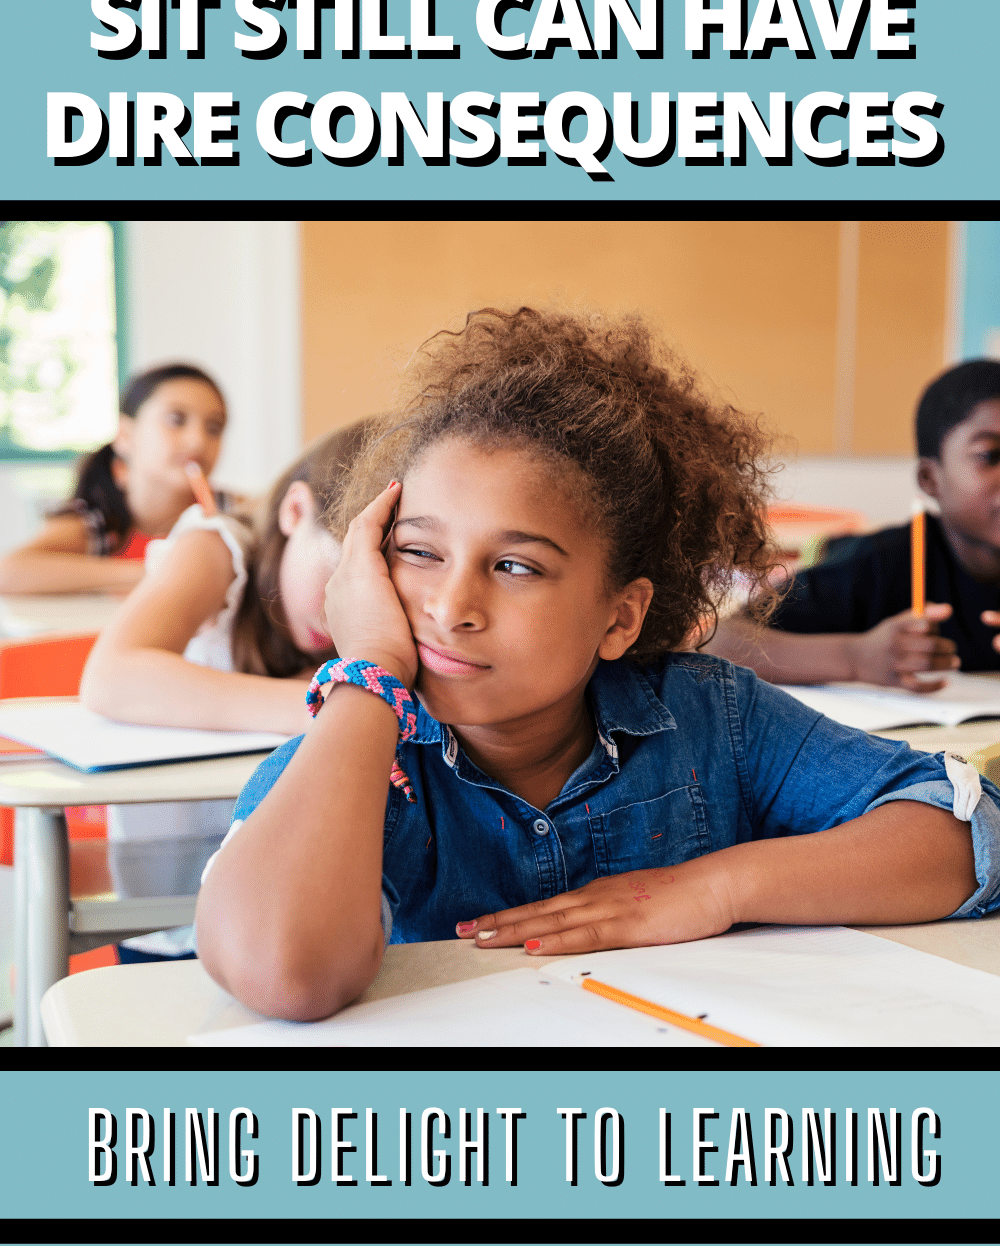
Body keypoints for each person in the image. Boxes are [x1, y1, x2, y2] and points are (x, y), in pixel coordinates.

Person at [195, 310, 999, 1023]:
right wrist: (368, 674)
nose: (451, 605)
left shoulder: (710, 716)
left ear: (621, 617)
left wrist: (715, 887)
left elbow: (968, 831)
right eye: (417, 553)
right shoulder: (365, 755)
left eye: (516, 567)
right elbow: (283, 970)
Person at [80, 419, 369, 961]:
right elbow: (110, 676)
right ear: (295, 512)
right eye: (333, 580)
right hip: (171, 910)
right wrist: (330, 705)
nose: (341, 615)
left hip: (288, 915)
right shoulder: (218, 547)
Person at [712, 359, 1000, 689]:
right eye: (990, 455)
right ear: (930, 479)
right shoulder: (879, 563)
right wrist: (855, 657)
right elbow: (720, 642)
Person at [0, 363, 232, 596]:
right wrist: (158, 571)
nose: (198, 441)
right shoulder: (98, 521)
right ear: (126, 435)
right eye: (176, 420)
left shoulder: (231, 514)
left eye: (214, 427)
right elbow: (8, 572)